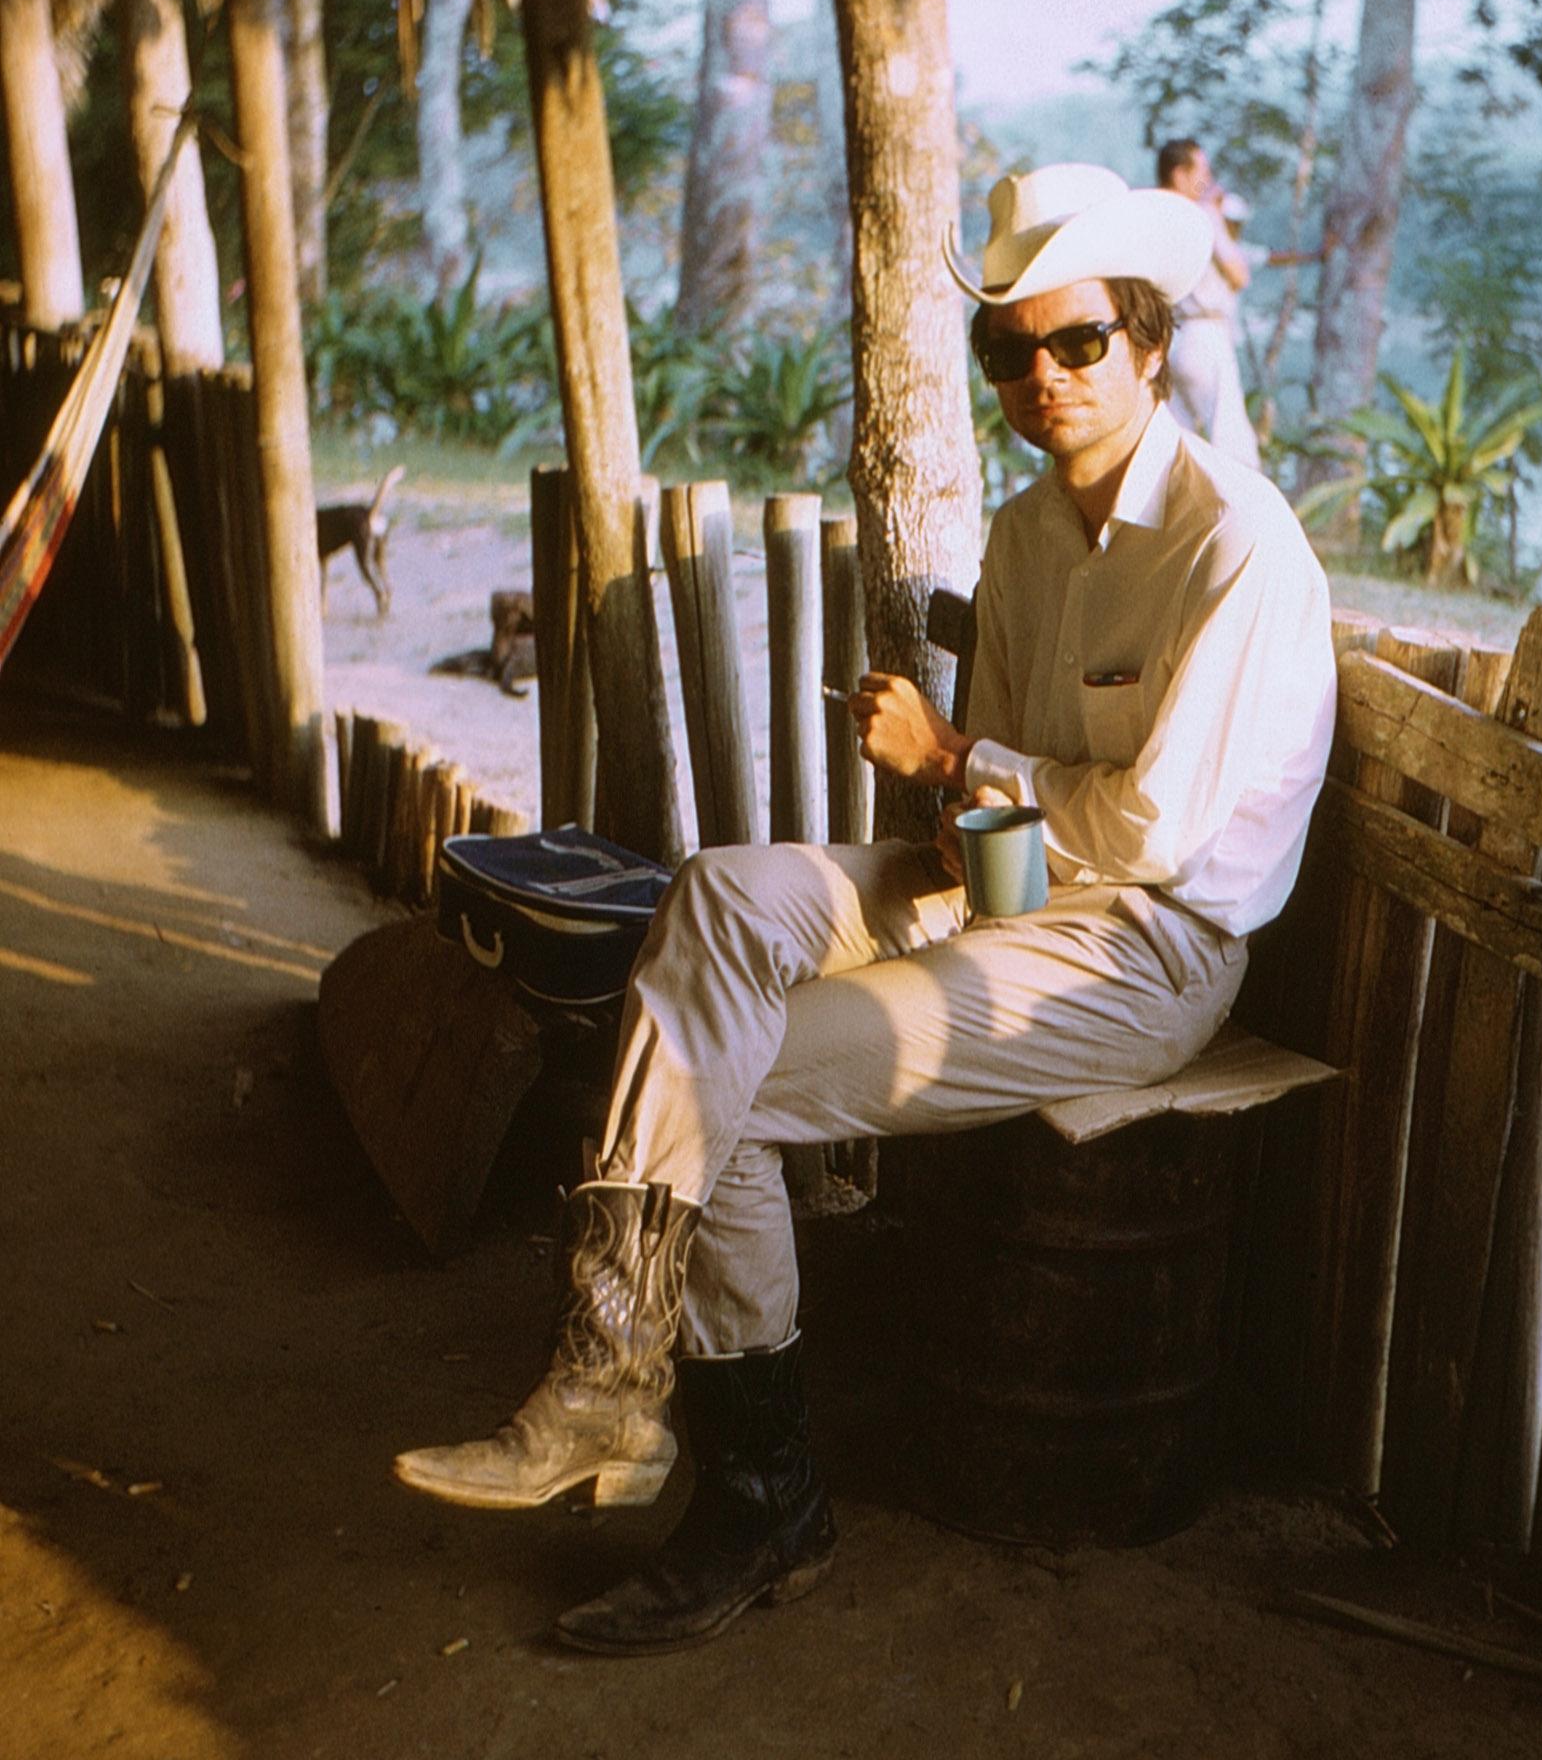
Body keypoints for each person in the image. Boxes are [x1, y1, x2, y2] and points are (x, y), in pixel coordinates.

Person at [392, 160, 1338, 1658]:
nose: (1041, 378)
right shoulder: (1031, 540)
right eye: (1006, 351)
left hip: (1153, 949)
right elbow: (1008, 841)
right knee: (715, 894)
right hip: (1022, 897)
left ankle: (755, 1496)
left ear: (1149, 344)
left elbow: (1151, 833)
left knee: (737, 1083)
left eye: (1076, 341)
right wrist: (965, 841)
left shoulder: (1232, 547)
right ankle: (608, 1380)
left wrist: (955, 757)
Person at [1155, 139, 1261, 467]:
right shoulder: (1202, 215)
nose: (1209, 179)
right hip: (1205, 335)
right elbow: (1238, 274)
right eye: (1203, 171)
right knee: (1233, 444)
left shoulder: (1154, 214)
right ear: (1180, 174)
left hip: (1171, 338)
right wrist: (1215, 213)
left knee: (1175, 442)